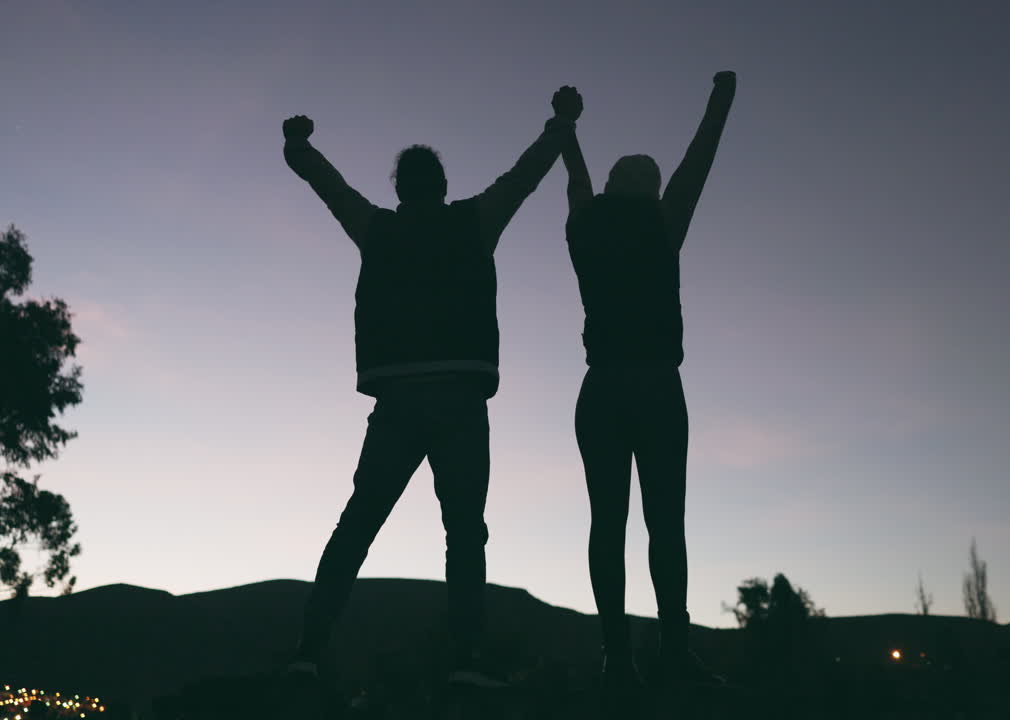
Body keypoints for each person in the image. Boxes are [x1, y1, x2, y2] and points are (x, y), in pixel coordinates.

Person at [280, 86, 583, 686]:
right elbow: (526, 175)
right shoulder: (476, 219)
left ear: (400, 188)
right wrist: (562, 123)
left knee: (359, 523)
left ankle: (309, 649)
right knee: (465, 531)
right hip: (460, 402)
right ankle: (466, 659)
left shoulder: (376, 229)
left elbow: (327, 186)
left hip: (396, 402)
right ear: (441, 185)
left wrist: (298, 145)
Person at [557, 71, 737, 693]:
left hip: (600, 389)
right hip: (656, 388)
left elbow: (573, 177)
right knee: (667, 521)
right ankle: (672, 651)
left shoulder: (584, 226)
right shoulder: (664, 226)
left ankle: (617, 656)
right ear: (655, 190)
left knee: (607, 522)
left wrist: (569, 127)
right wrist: (720, 99)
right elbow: (701, 156)